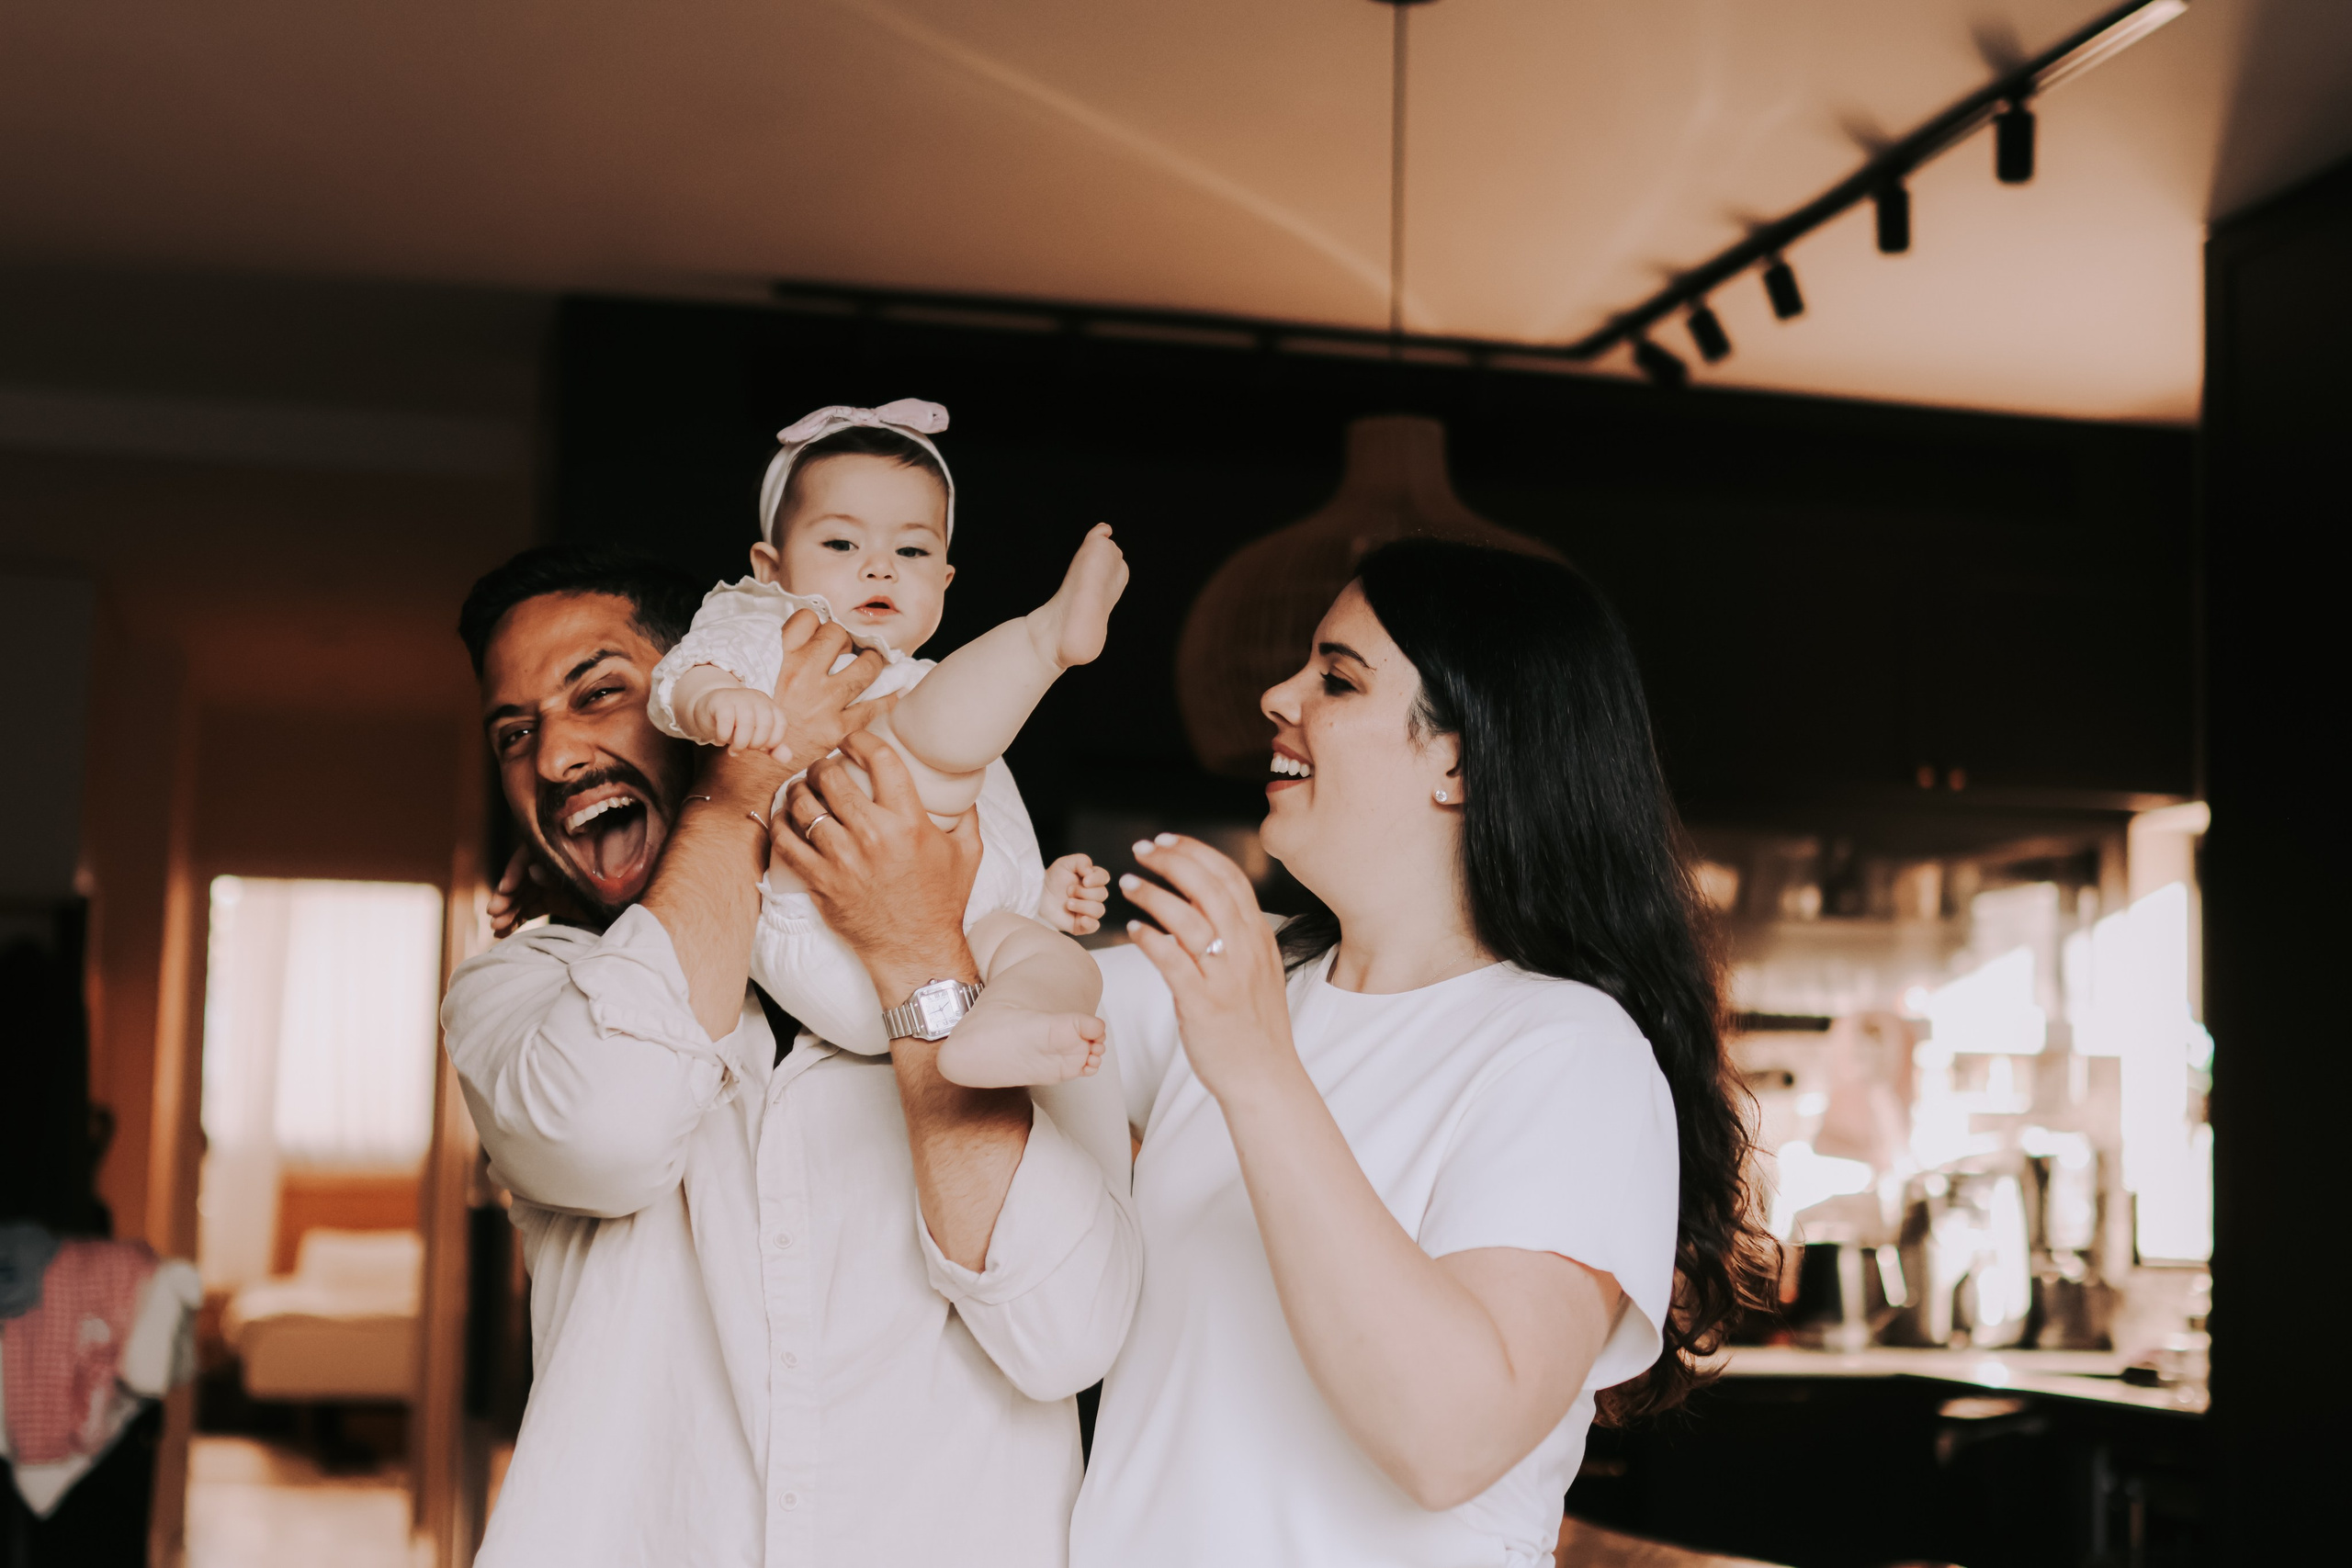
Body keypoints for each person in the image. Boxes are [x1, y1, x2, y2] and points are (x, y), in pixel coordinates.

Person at [1064, 538, 1776, 1567]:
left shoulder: (1569, 1054)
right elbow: (969, 1006)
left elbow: (1450, 1438)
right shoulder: (1239, 976)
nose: (1276, 694)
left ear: (1459, 761)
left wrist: (1260, 1073)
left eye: (1336, 678)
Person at [441, 546, 1140, 1568]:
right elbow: (614, 1125)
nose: (553, 758)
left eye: (599, 693)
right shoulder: (519, 991)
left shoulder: (1015, 988)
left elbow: (1064, 1332)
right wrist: (738, 790)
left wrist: (912, 955)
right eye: (516, 732)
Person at [649, 399, 1124, 1086]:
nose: (880, 568)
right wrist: (718, 700)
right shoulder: (766, 633)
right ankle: (1046, 639)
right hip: (818, 926)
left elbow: (986, 833)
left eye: (912, 550)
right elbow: (680, 676)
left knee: (1064, 963)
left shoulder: (948, 683)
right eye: (841, 544)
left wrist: (1037, 899)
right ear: (770, 568)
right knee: (929, 743)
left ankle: (1012, 1025)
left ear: (945, 579)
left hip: (957, 960)